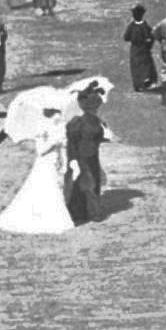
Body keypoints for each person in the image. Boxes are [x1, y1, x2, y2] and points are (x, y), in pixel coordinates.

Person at [0, 92, 74, 235]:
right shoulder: (42, 130)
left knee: (57, 187)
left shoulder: (60, 128)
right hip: (44, 163)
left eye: (59, 114)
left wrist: (63, 149)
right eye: (56, 115)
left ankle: (54, 213)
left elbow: (64, 145)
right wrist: (54, 142)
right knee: (46, 188)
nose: (59, 117)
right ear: (49, 116)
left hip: (56, 161)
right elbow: (41, 151)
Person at [64, 79, 113, 225]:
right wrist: (72, 159)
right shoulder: (77, 122)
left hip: (92, 155)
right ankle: (85, 212)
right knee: (86, 184)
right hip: (81, 156)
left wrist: (105, 137)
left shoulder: (97, 121)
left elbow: (99, 137)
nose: (95, 110)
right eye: (93, 107)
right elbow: (72, 142)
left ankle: (88, 211)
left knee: (93, 182)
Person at [123, 5, 158, 92]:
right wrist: (149, 45)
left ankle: (138, 84)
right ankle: (144, 82)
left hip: (136, 49)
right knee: (145, 66)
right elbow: (152, 36)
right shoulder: (145, 26)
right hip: (143, 49)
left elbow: (126, 37)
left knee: (136, 67)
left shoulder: (132, 26)